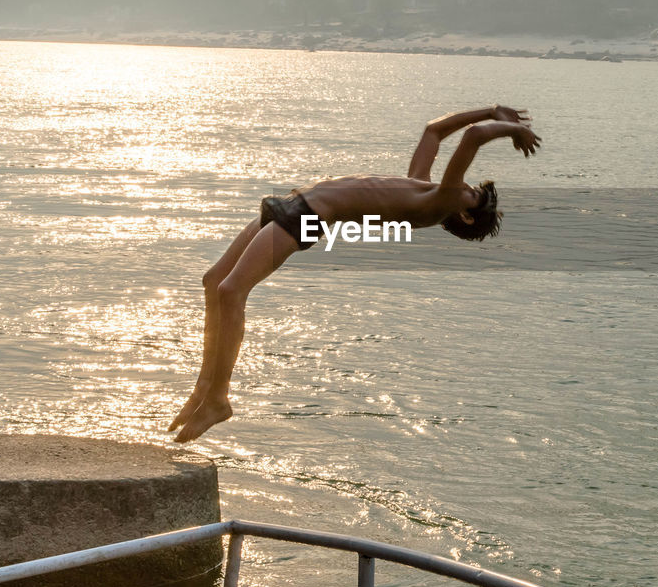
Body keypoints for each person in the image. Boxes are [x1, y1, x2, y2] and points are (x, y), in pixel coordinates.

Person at [168, 106, 541, 442]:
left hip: (308, 216)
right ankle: (205, 386)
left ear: (465, 215)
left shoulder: (441, 203)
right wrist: (492, 110)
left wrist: (508, 127)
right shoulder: (421, 186)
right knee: (213, 280)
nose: (468, 186)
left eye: (474, 194)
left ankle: (219, 398)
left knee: (231, 291)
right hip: (293, 204)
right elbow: (433, 132)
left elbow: (474, 137)